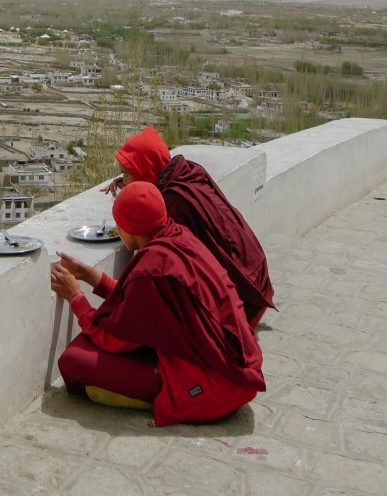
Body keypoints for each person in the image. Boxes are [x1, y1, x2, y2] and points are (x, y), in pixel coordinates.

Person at [51, 182, 265, 426]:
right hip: (237, 367)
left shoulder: (153, 268)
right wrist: (91, 276)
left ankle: (160, 397)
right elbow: (139, 304)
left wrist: (75, 297)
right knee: (92, 337)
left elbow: (111, 339)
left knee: (73, 359)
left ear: (130, 228)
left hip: (213, 387)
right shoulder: (178, 237)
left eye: (118, 223)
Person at [105, 126, 274, 325]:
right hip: (258, 278)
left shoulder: (173, 201)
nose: (123, 177)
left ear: (145, 168)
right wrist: (133, 181)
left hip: (244, 302)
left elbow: (154, 256)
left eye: (126, 172)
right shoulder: (187, 171)